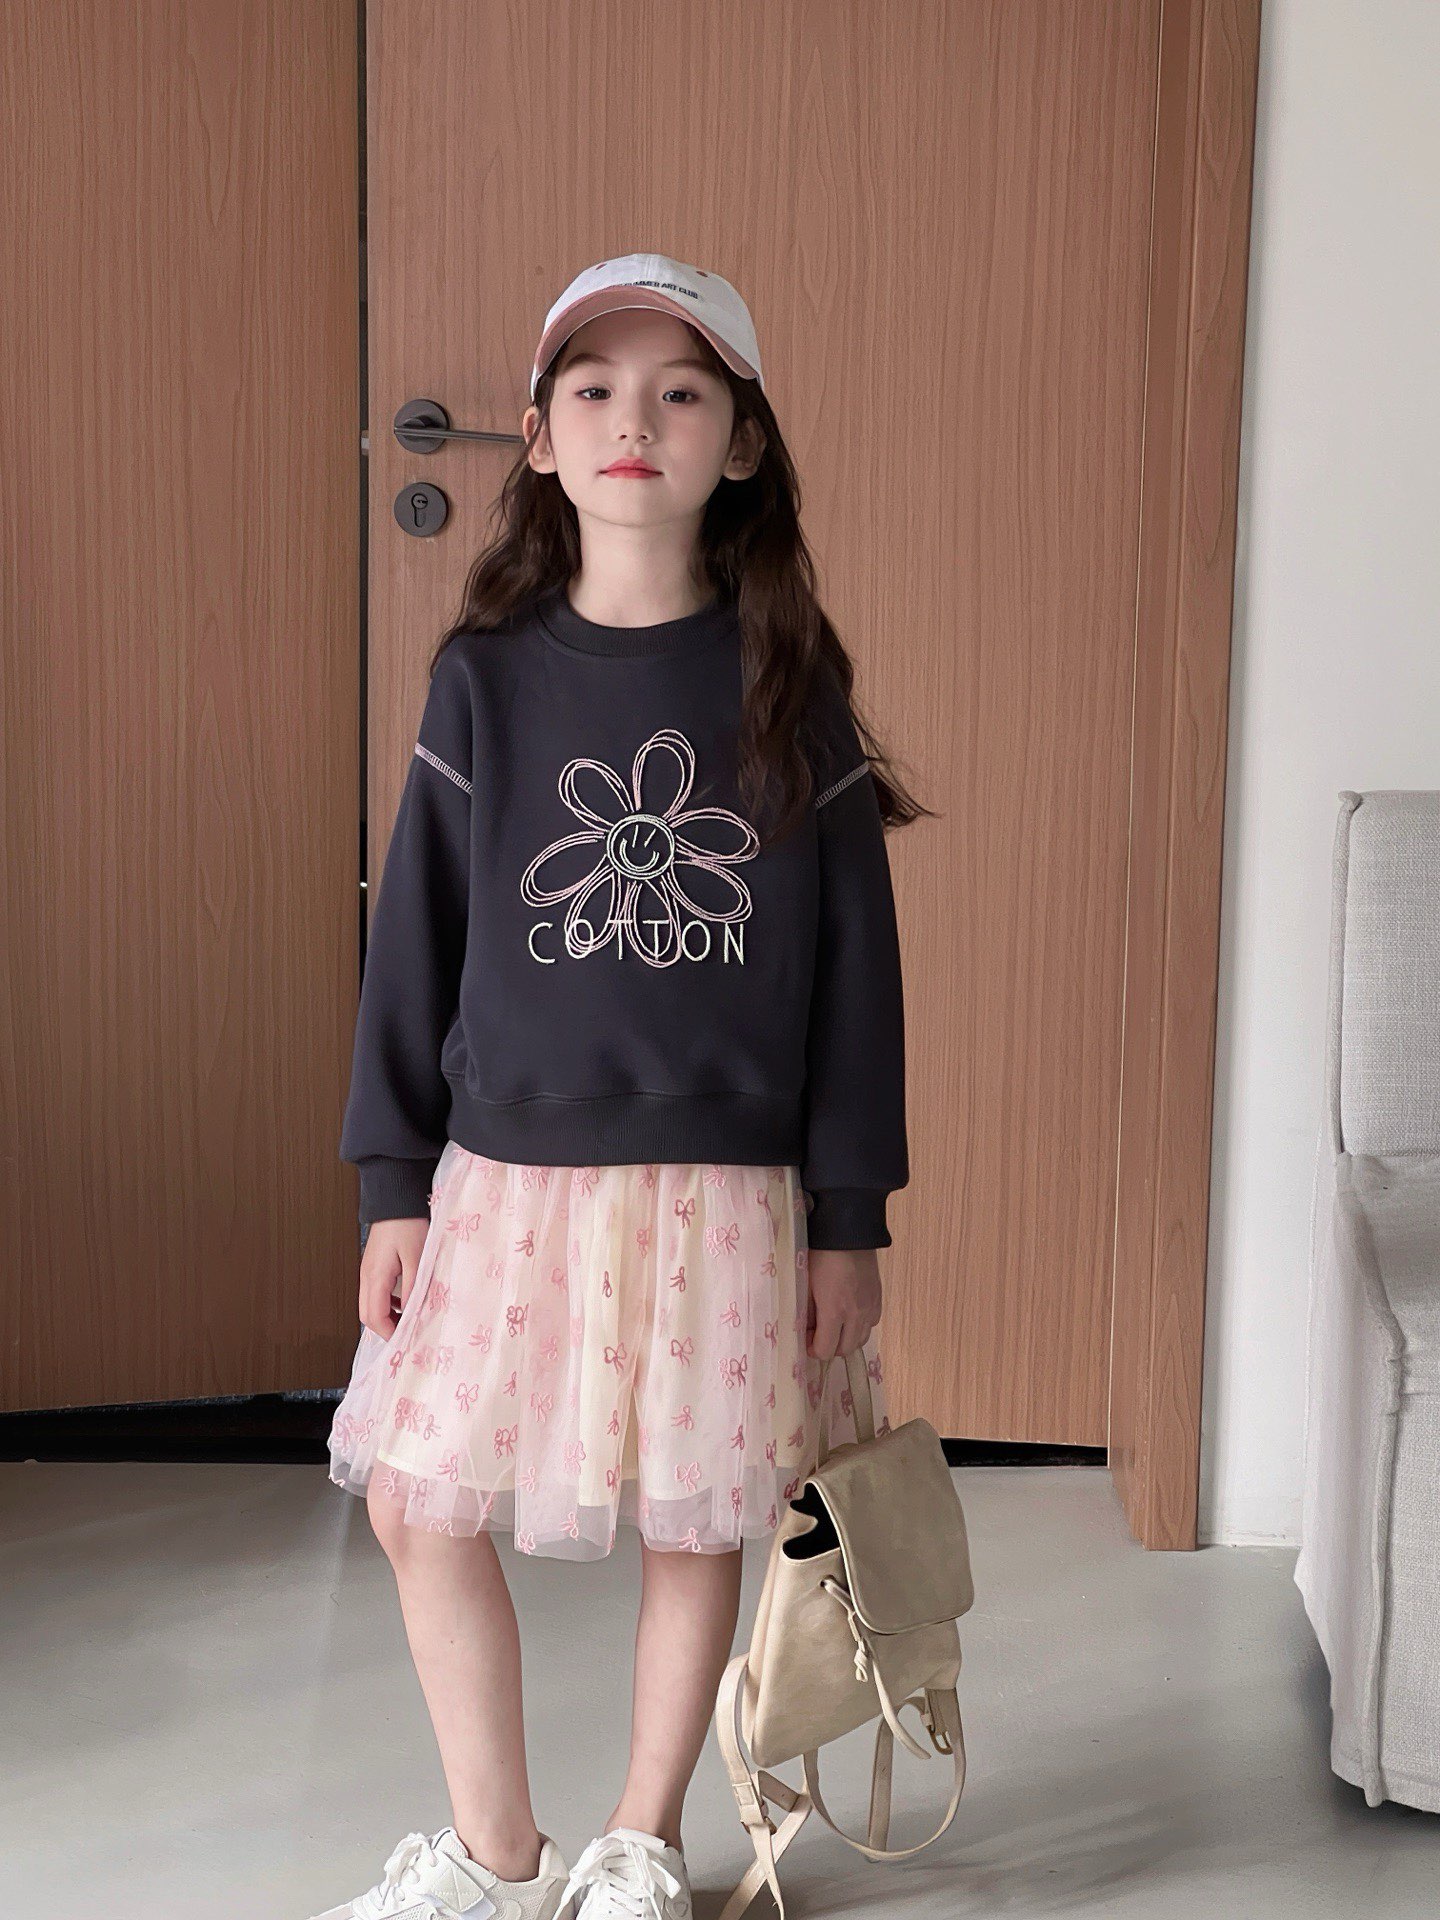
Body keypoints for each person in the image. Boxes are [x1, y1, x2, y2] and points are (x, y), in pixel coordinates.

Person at [312, 253, 931, 1920]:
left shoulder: (791, 686)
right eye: (592, 390)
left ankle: (641, 1839)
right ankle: (495, 1848)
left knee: (694, 1520)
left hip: (726, 1191)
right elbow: (414, 943)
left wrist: (849, 1215)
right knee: (420, 1500)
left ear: (742, 441)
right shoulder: (484, 680)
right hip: (503, 1181)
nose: (632, 419)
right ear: (539, 438)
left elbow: (858, 980)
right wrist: (391, 1181)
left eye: (679, 391)